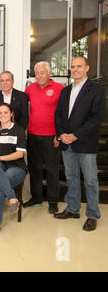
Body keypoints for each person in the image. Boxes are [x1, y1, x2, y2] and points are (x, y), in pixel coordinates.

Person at [54, 56, 106, 231]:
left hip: (85, 143)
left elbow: (95, 118)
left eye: (79, 66)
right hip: (66, 143)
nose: (75, 69)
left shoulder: (96, 91)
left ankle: (92, 214)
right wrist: (61, 134)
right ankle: (73, 208)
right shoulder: (65, 91)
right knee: (71, 177)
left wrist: (75, 135)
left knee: (90, 180)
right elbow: (59, 115)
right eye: (73, 66)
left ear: (87, 68)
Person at [23, 61, 64, 214]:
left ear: (49, 73)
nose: (39, 76)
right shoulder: (30, 88)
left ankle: (53, 201)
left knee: (52, 170)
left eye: (42, 72)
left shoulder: (59, 88)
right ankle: (37, 197)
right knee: (34, 169)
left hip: (51, 136)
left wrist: (59, 134)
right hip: (33, 135)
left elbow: (64, 114)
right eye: (37, 73)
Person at [0, 103, 27, 236]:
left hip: (17, 167)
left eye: (5, 112)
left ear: (11, 114)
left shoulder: (19, 130)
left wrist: (1, 157)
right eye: (0, 113)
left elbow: (20, 154)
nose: (2, 115)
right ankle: (12, 198)